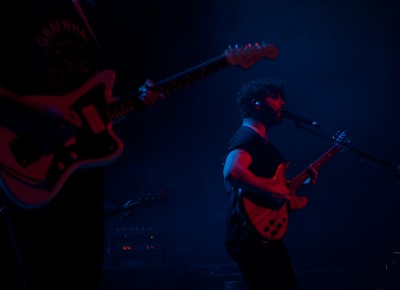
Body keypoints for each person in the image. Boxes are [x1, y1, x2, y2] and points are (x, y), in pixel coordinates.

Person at [0, 1, 163, 289]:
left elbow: (94, 107)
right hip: (30, 156)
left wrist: (133, 106)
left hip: (82, 170)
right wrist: (37, 112)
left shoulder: (87, 13)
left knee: (85, 275)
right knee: (42, 275)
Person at [222, 78, 318, 290]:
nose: (282, 103)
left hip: (262, 233)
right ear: (257, 103)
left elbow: (269, 190)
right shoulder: (247, 136)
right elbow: (232, 171)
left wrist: (297, 185)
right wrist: (272, 190)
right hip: (250, 235)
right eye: (275, 97)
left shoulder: (262, 142)